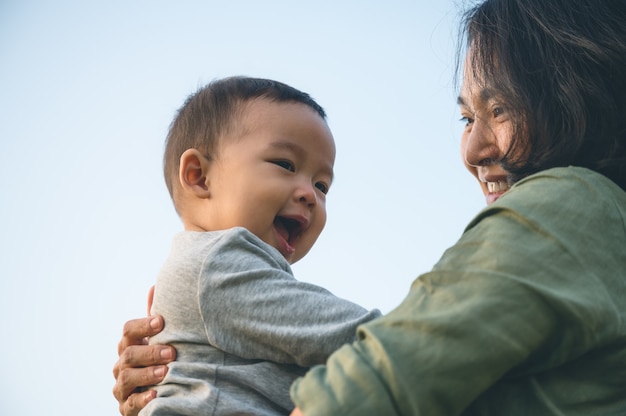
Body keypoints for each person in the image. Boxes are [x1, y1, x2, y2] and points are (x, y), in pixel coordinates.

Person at [114, 0, 626, 414]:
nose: (472, 150)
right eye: (468, 118)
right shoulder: (218, 266)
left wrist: (396, 343)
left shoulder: (573, 200)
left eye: (501, 108)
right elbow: (362, 348)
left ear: (574, 96)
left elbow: (376, 371)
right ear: (198, 175)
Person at [120, 76, 381, 416]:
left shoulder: (214, 267)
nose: (310, 195)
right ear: (198, 175)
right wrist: (417, 332)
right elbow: (357, 336)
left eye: (322, 185)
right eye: (285, 165)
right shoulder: (219, 264)